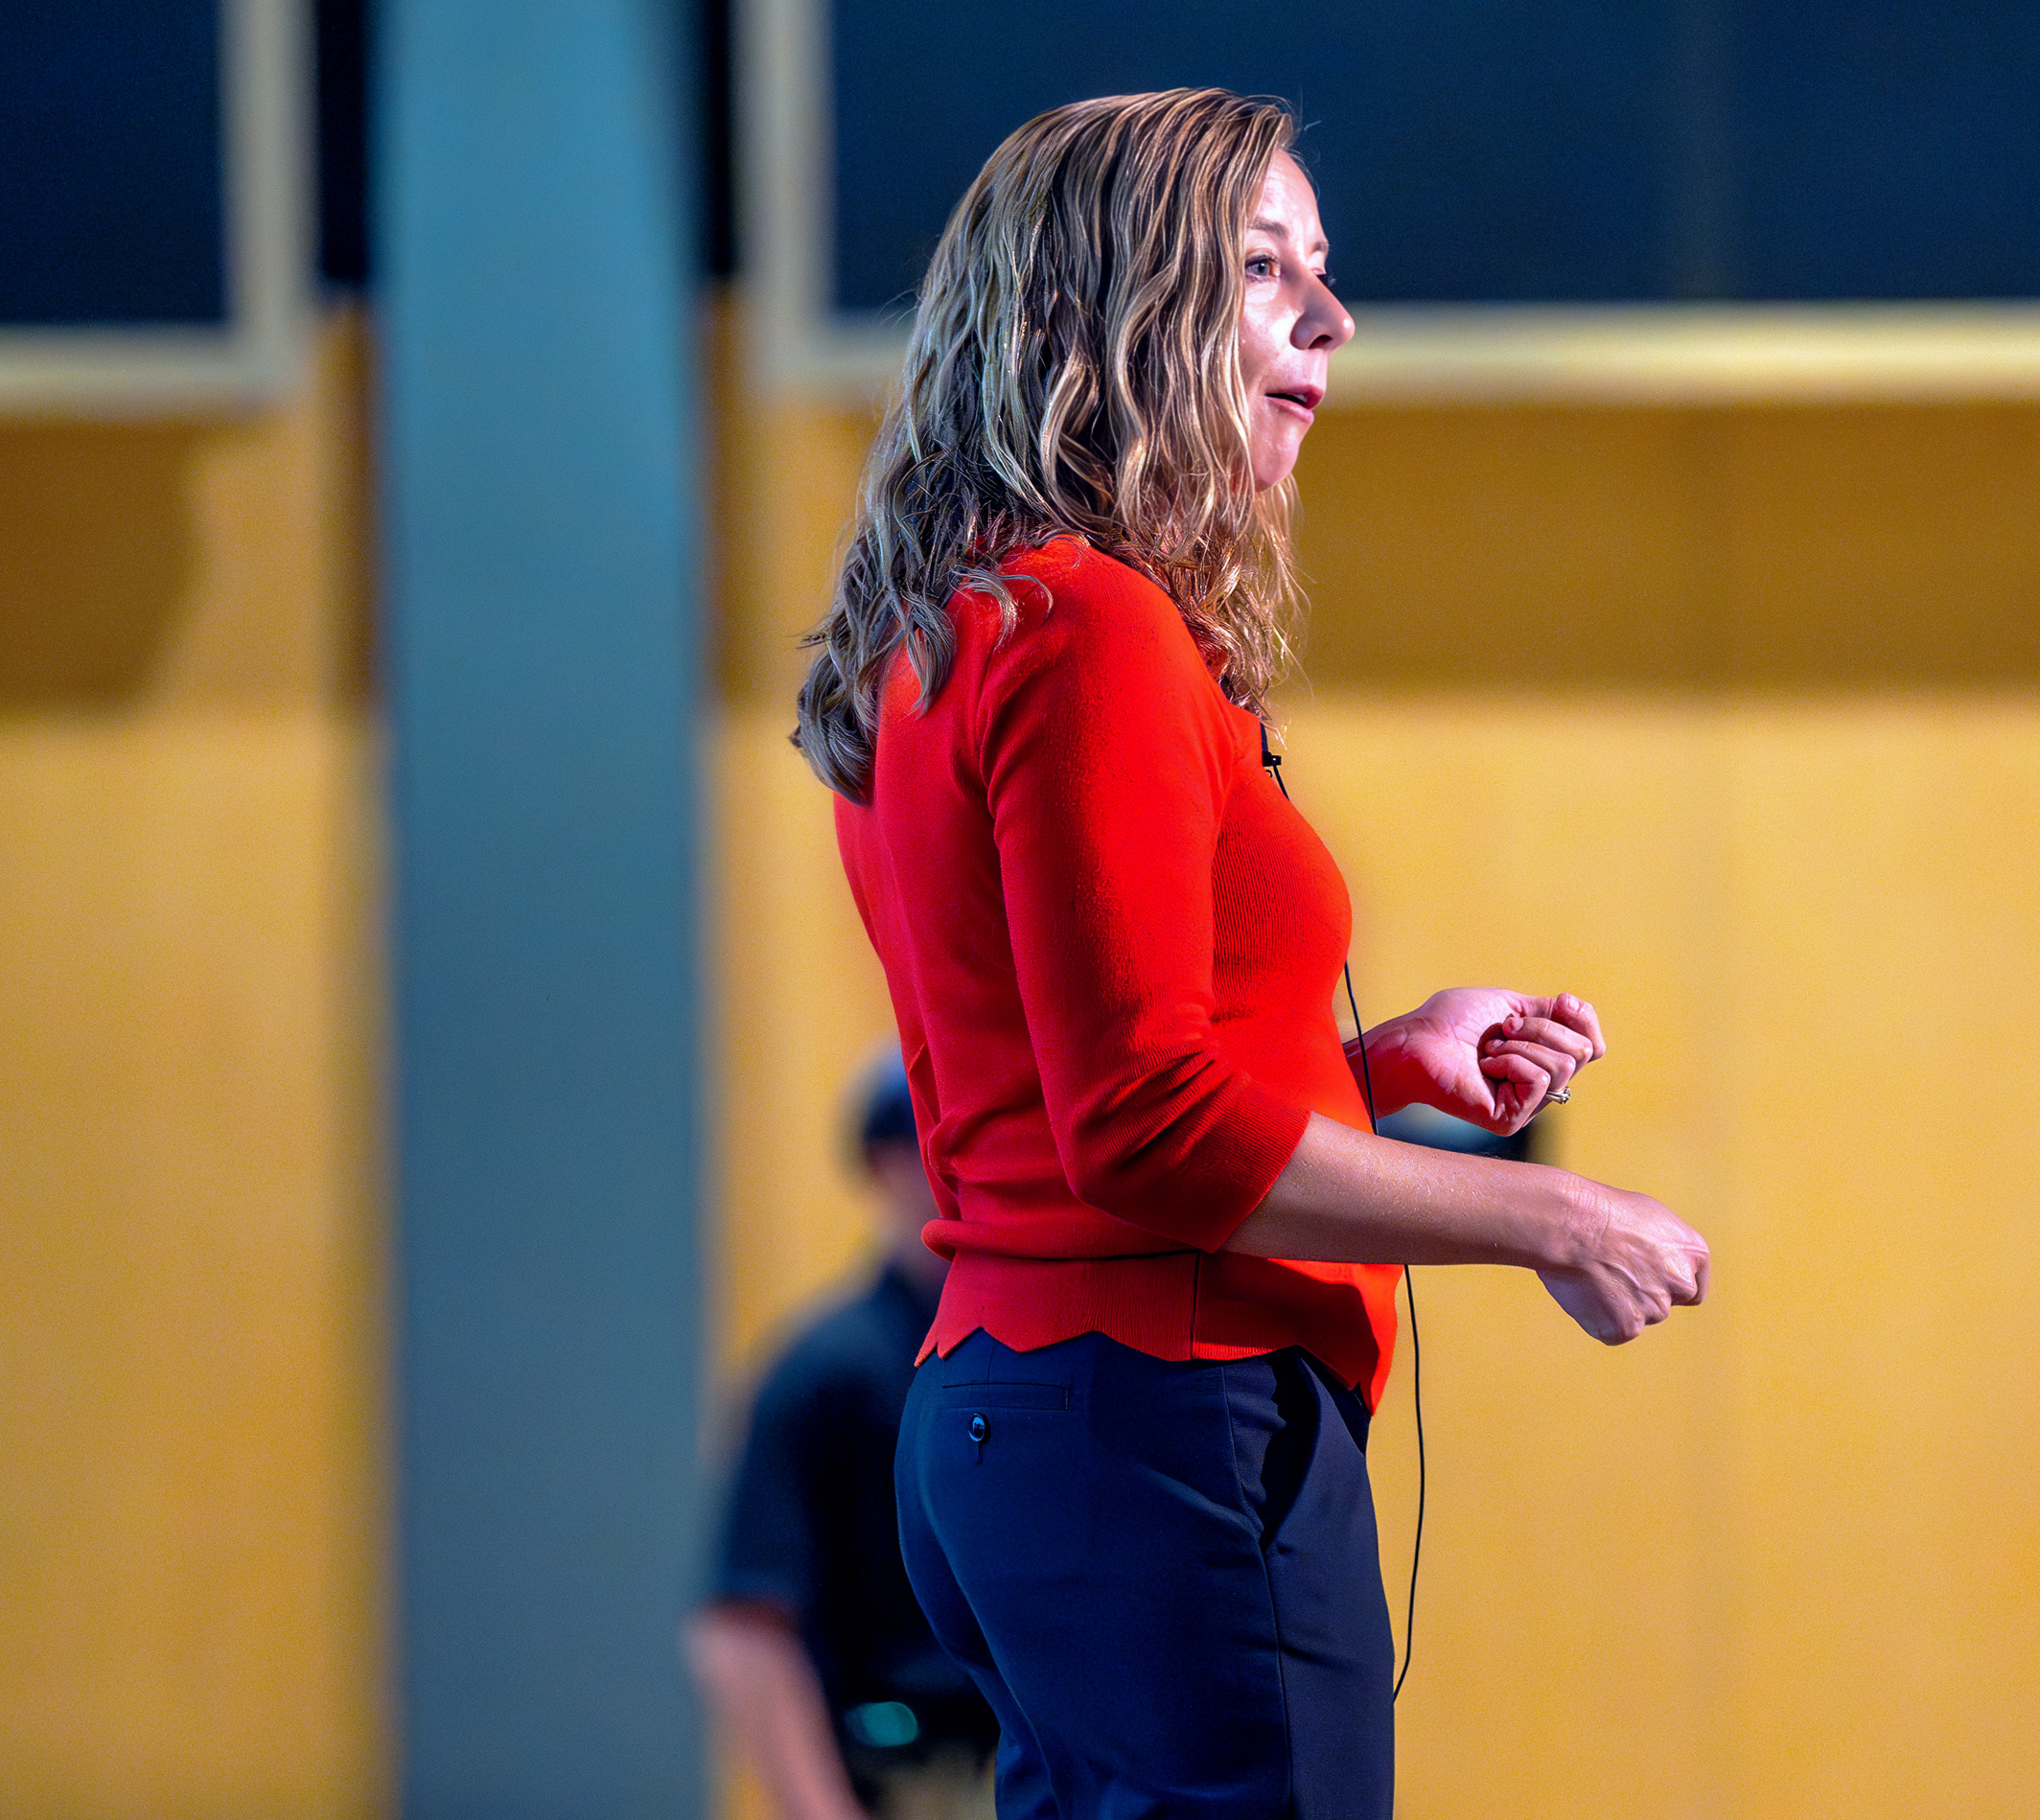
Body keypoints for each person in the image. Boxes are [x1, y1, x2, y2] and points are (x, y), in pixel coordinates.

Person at [795, 87, 1711, 1820]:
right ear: (1102, 310)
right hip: (1162, 1432)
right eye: (1259, 269)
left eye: (1326, 269)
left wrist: (1371, 1072)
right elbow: (1137, 1130)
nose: (1330, 316)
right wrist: (1553, 1216)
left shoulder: (952, 625)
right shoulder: (1090, 629)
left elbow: (1061, 1093)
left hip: (1027, 1424)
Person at [688, 1053, 1004, 1820]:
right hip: (908, 1778)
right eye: (929, 1143)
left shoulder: (1044, 1355)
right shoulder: (828, 1372)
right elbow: (745, 1626)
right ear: (883, 1162)